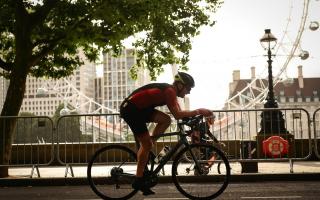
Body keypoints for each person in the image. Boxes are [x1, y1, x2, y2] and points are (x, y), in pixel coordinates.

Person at [119, 71, 213, 195]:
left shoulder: (171, 92)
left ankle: (148, 146)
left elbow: (180, 114)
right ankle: (138, 179)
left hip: (141, 108)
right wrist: (199, 111)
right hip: (131, 110)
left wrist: (192, 119)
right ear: (180, 85)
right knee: (146, 145)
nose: (189, 92)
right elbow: (178, 115)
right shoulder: (170, 91)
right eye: (188, 88)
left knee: (165, 120)